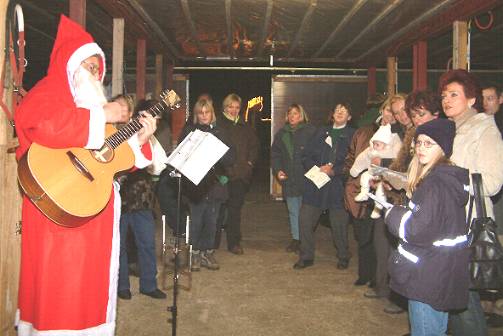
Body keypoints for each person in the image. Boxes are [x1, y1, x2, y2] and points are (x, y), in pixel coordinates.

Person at [14, 16, 157, 335]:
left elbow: (110, 157)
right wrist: (102, 115)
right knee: (59, 302)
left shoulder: (93, 106)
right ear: (70, 66)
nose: (94, 74)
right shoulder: (49, 91)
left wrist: (141, 140)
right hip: (58, 222)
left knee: (89, 300)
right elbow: (40, 123)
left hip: (95, 222)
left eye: (98, 69)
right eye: (88, 67)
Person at [385, 118, 471, 336]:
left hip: (428, 275)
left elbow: (416, 230)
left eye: (429, 143)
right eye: (419, 142)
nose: (421, 148)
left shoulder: (435, 184)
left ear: (443, 148)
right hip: (440, 271)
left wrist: (392, 213)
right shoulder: (446, 178)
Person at [439, 69, 503, 336]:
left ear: (471, 99)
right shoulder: (449, 129)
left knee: (462, 297)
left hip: (468, 221)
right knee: (453, 293)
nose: (446, 100)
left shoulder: (484, 129)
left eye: (454, 94)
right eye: (444, 95)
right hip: (447, 221)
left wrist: (452, 179)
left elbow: (492, 182)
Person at [294, 103, 355, 270]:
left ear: (349, 117)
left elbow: (354, 162)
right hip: (316, 184)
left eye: (344, 110)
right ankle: (306, 256)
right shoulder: (320, 132)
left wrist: (334, 170)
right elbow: (305, 155)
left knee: (339, 224)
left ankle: (343, 255)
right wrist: (316, 169)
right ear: (332, 115)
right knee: (305, 219)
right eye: (337, 110)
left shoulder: (353, 135)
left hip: (338, 186)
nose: (340, 112)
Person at [117, 99, 167, 300]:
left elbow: (158, 166)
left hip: (142, 198)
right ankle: (121, 286)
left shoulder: (151, 138)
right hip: (119, 198)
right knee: (119, 246)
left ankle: (149, 284)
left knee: (146, 243)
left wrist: (147, 141)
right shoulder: (115, 133)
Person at [344, 97, 395, 286]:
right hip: (362, 188)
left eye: (394, 111)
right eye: (387, 110)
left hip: (385, 191)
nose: (389, 114)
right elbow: (353, 158)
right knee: (364, 235)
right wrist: (350, 177)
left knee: (380, 239)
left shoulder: (397, 136)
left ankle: (378, 279)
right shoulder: (365, 132)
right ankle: (365, 274)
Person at [180, 98, 234, 270]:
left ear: (212, 114)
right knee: (196, 221)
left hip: (215, 186)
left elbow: (231, 158)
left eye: (207, 112)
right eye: (200, 113)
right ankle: (194, 254)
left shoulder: (221, 132)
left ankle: (207, 253)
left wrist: (217, 154)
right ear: (196, 115)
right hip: (196, 187)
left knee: (212, 222)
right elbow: (181, 156)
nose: (204, 116)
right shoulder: (189, 132)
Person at [215, 93, 259, 254]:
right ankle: (213, 242)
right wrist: (220, 171)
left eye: (237, 107)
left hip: (240, 175)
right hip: (221, 175)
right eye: (230, 107)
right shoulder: (218, 124)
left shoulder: (245, 126)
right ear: (225, 107)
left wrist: (249, 164)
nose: (233, 110)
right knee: (218, 210)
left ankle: (234, 242)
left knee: (235, 211)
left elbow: (254, 147)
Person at [271, 104, 316, 253]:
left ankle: (306, 239)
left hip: (306, 178)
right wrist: (278, 170)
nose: (292, 116)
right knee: (293, 210)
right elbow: (275, 155)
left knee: (306, 211)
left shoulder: (310, 131)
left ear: (301, 115)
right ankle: (296, 239)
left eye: (295, 113)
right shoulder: (282, 134)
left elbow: (318, 153)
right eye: (289, 113)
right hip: (289, 179)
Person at [351, 123, 401, 219]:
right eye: (374, 144)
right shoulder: (371, 152)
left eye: (377, 144)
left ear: (386, 145)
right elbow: (362, 158)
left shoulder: (390, 153)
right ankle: (364, 192)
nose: (374, 146)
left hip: (384, 178)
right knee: (364, 177)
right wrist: (355, 170)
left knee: (380, 191)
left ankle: (378, 207)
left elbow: (398, 164)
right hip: (371, 173)